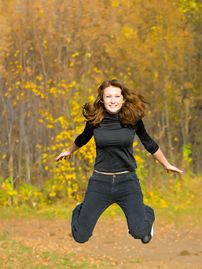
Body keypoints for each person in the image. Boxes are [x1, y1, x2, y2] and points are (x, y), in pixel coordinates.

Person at [55, 79, 183, 244]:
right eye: (108, 96)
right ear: (102, 99)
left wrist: (166, 164)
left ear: (123, 99)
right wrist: (69, 150)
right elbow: (83, 138)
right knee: (80, 236)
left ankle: (147, 213)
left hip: (127, 183)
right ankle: (81, 209)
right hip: (100, 183)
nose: (113, 100)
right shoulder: (95, 121)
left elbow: (149, 143)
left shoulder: (133, 120)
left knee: (140, 233)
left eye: (117, 96)